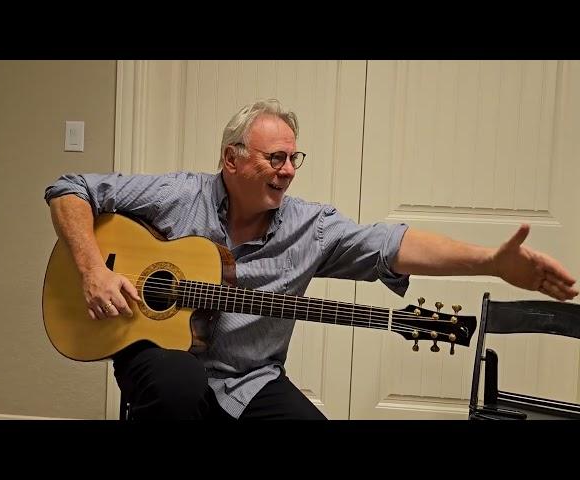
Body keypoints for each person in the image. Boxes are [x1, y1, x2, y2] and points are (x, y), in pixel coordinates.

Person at [44, 98, 578, 421]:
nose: (290, 169)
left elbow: (391, 243)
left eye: (293, 157)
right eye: (275, 157)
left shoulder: (310, 226)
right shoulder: (178, 195)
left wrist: (489, 260)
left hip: (251, 378)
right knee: (180, 388)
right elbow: (69, 188)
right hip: (154, 351)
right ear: (232, 159)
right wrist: (93, 269)